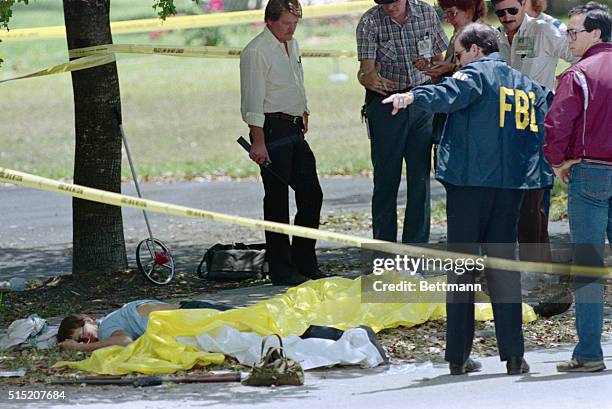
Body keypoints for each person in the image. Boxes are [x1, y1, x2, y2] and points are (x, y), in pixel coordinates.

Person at [383, 23, 553, 375]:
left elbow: (448, 95)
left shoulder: (475, 74)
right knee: (504, 270)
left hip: (470, 185)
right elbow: (550, 112)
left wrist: (412, 96)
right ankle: (515, 355)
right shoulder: (524, 83)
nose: (455, 63)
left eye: (458, 55)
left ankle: (458, 356)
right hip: (511, 188)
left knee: (461, 269)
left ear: (476, 50)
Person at [492, 0, 578, 315]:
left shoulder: (545, 28)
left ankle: (543, 277)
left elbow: (581, 56)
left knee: (534, 202)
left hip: (537, 122)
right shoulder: (496, 36)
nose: (506, 18)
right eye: (500, 12)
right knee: (514, 201)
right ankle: (529, 274)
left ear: (524, 6)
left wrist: (562, 85)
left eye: (512, 10)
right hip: (506, 127)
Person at [543, 2, 611, 373]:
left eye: (573, 32)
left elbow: (556, 125)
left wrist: (557, 161)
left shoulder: (578, 74)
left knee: (588, 265)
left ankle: (589, 352)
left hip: (591, 173)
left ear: (596, 33)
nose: (568, 38)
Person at [240, 0, 325, 286]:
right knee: (277, 200)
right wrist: (258, 141)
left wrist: (304, 112)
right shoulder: (256, 51)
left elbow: (297, 80)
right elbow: (252, 101)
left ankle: (304, 260)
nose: (292, 28)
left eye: (295, 23)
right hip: (271, 129)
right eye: (287, 23)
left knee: (311, 194)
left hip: (294, 127)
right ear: (270, 21)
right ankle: (281, 267)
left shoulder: (293, 44)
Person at [356, 0, 448, 244]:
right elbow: (366, 70)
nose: (389, 8)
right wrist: (368, 78)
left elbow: (440, 61)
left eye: (394, 2)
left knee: (420, 179)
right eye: (383, 3)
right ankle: (384, 251)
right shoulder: (369, 21)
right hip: (386, 105)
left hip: (421, 99)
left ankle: (416, 248)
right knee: (386, 179)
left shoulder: (427, 13)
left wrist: (430, 67)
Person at [57, 300, 230, 352]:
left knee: (253, 319)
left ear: (88, 321)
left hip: (191, 317)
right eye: (82, 341)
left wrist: (79, 348)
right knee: (250, 317)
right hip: (191, 313)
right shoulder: (115, 318)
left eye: (82, 336)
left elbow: (124, 341)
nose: (87, 341)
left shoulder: (106, 328)